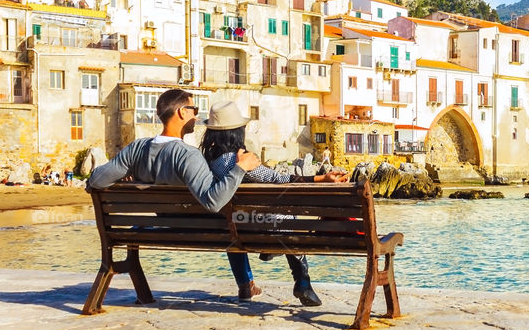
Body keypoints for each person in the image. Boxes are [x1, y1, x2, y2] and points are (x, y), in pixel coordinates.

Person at [199, 100, 348, 304]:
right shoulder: (240, 161)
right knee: (289, 220)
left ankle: (245, 286)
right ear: (237, 132)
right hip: (266, 227)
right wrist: (321, 178)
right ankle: (302, 281)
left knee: (232, 231)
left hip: (233, 228)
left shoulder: (207, 162)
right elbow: (278, 179)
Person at [87, 89, 261, 213]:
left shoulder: (137, 148)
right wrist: (241, 168)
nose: (196, 117)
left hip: (157, 226)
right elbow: (213, 202)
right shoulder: (188, 155)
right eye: (194, 110)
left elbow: (96, 180)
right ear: (182, 113)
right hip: (193, 228)